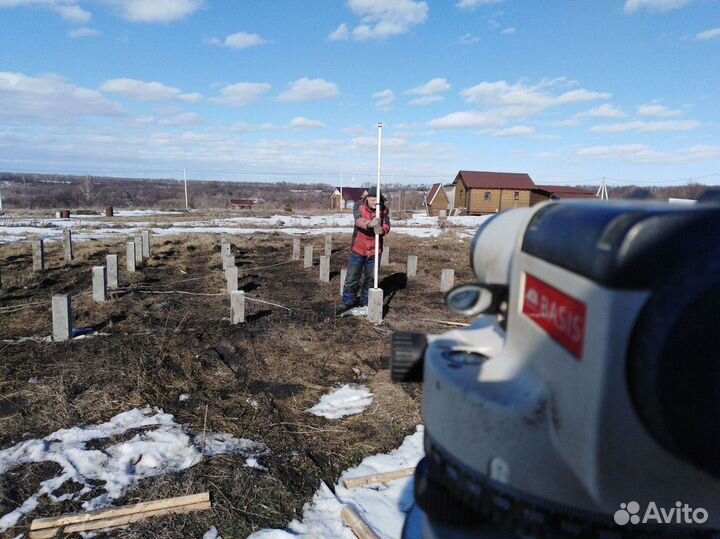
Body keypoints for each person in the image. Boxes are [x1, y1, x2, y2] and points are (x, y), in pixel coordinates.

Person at [342, 186, 391, 309]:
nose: (375, 202)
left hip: (375, 250)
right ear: (368, 198)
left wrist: (382, 230)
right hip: (359, 248)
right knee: (352, 278)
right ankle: (348, 302)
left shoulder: (384, 210)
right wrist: (369, 224)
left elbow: (387, 225)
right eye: (373, 199)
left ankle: (365, 303)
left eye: (377, 200)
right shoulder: (358, 206)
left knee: (371, 279)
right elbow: (358, 220)